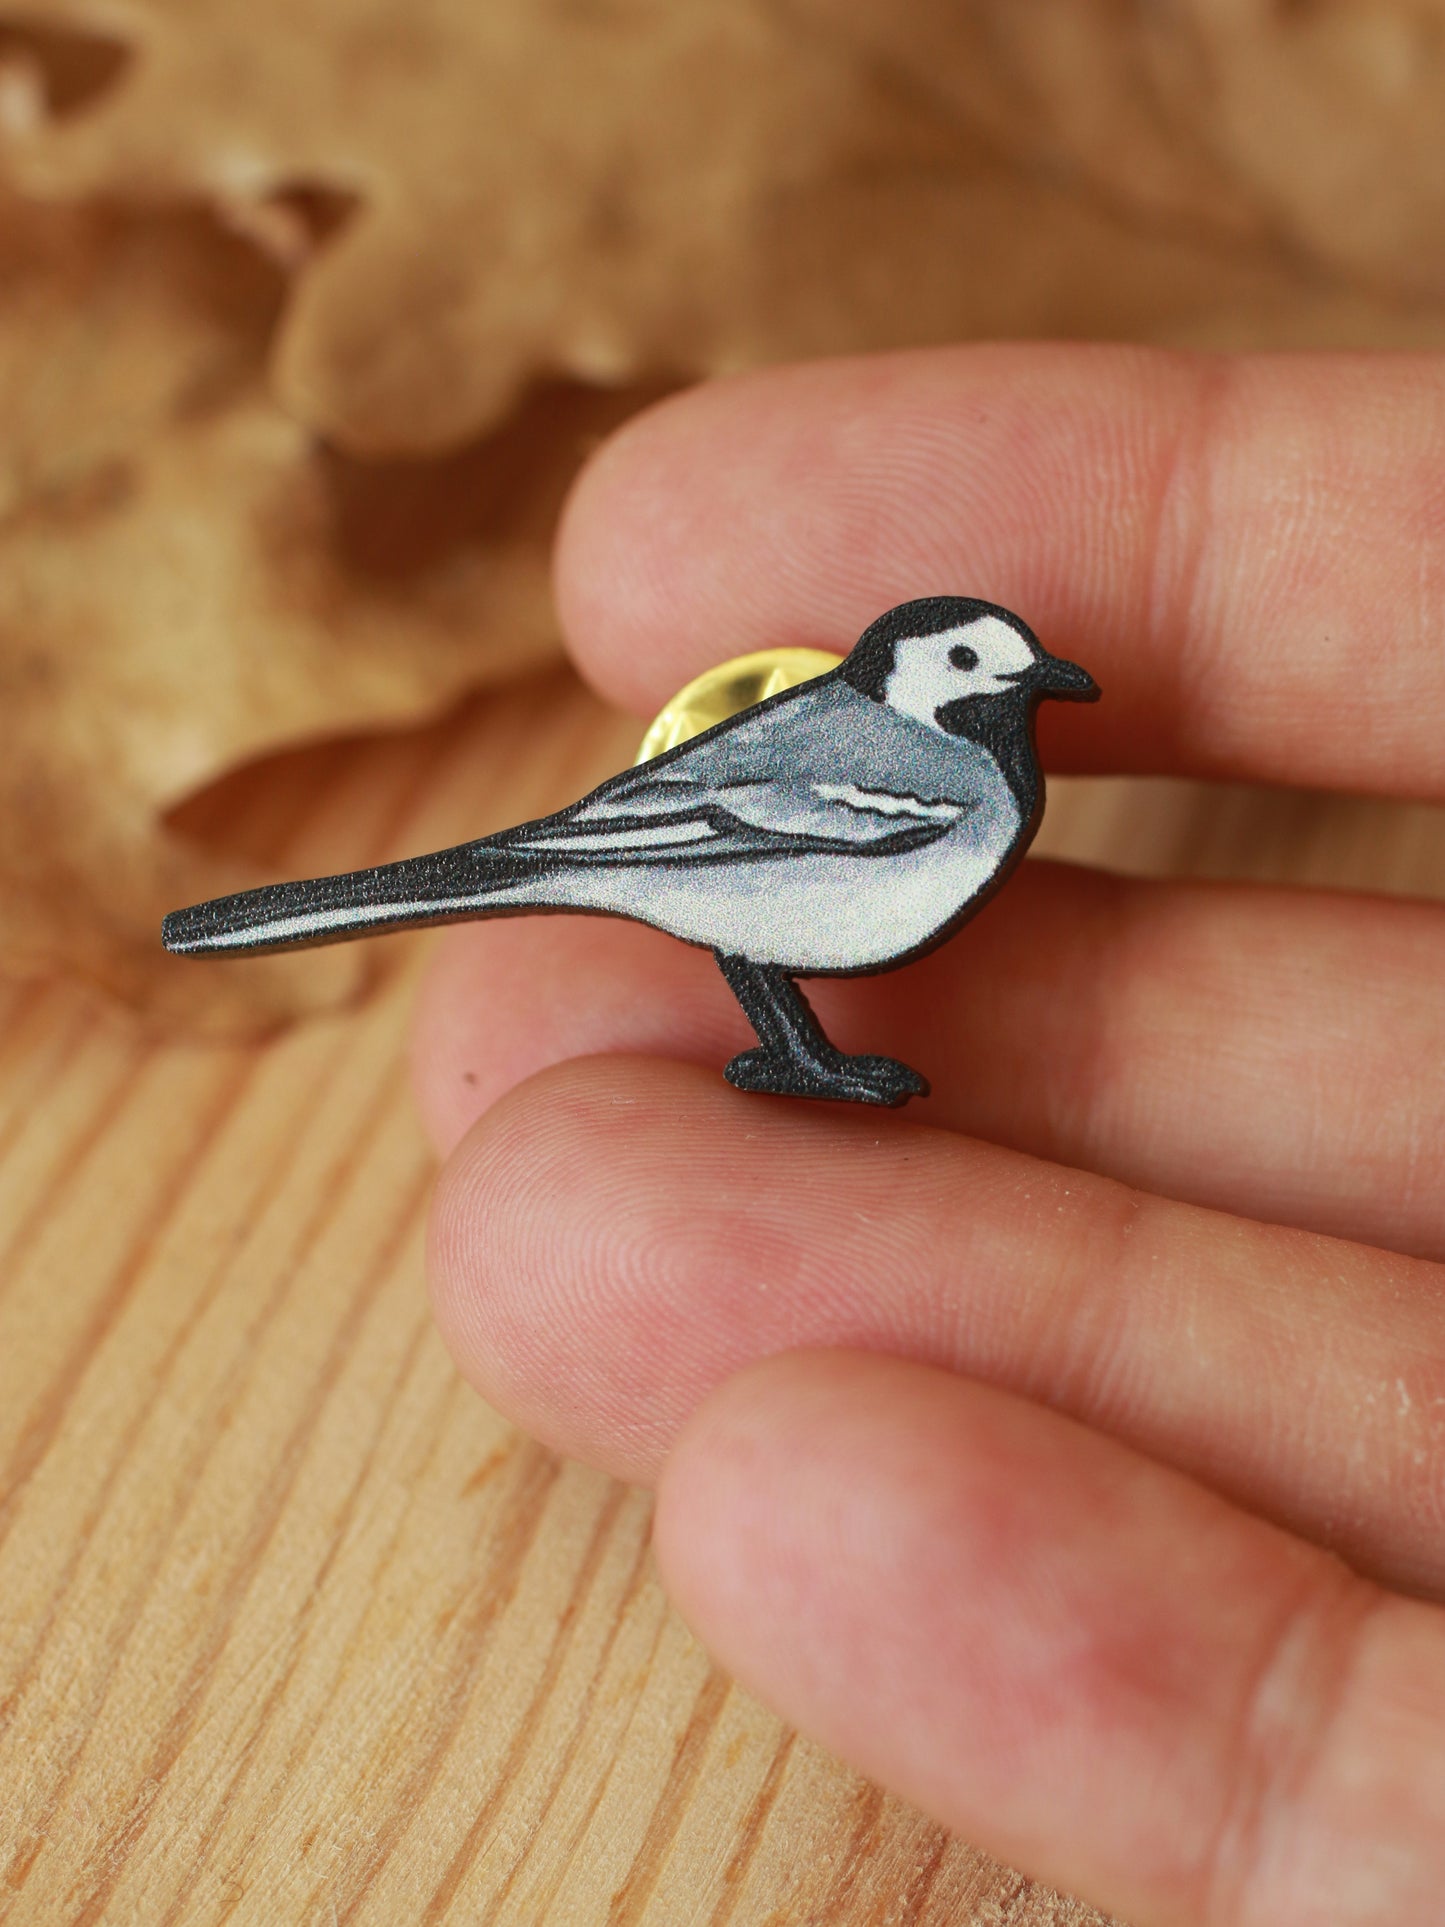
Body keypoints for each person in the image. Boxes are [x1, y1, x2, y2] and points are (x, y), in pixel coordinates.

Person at [410, 345, 1445, 1926]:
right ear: (914, 685)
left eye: (1009, 667)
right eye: (979, 670)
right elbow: (722, 842)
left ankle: (796, 1056)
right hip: (684, 856)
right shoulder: (926, 773)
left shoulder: (951, 770)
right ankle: (796, 1058)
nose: (1010, 688)